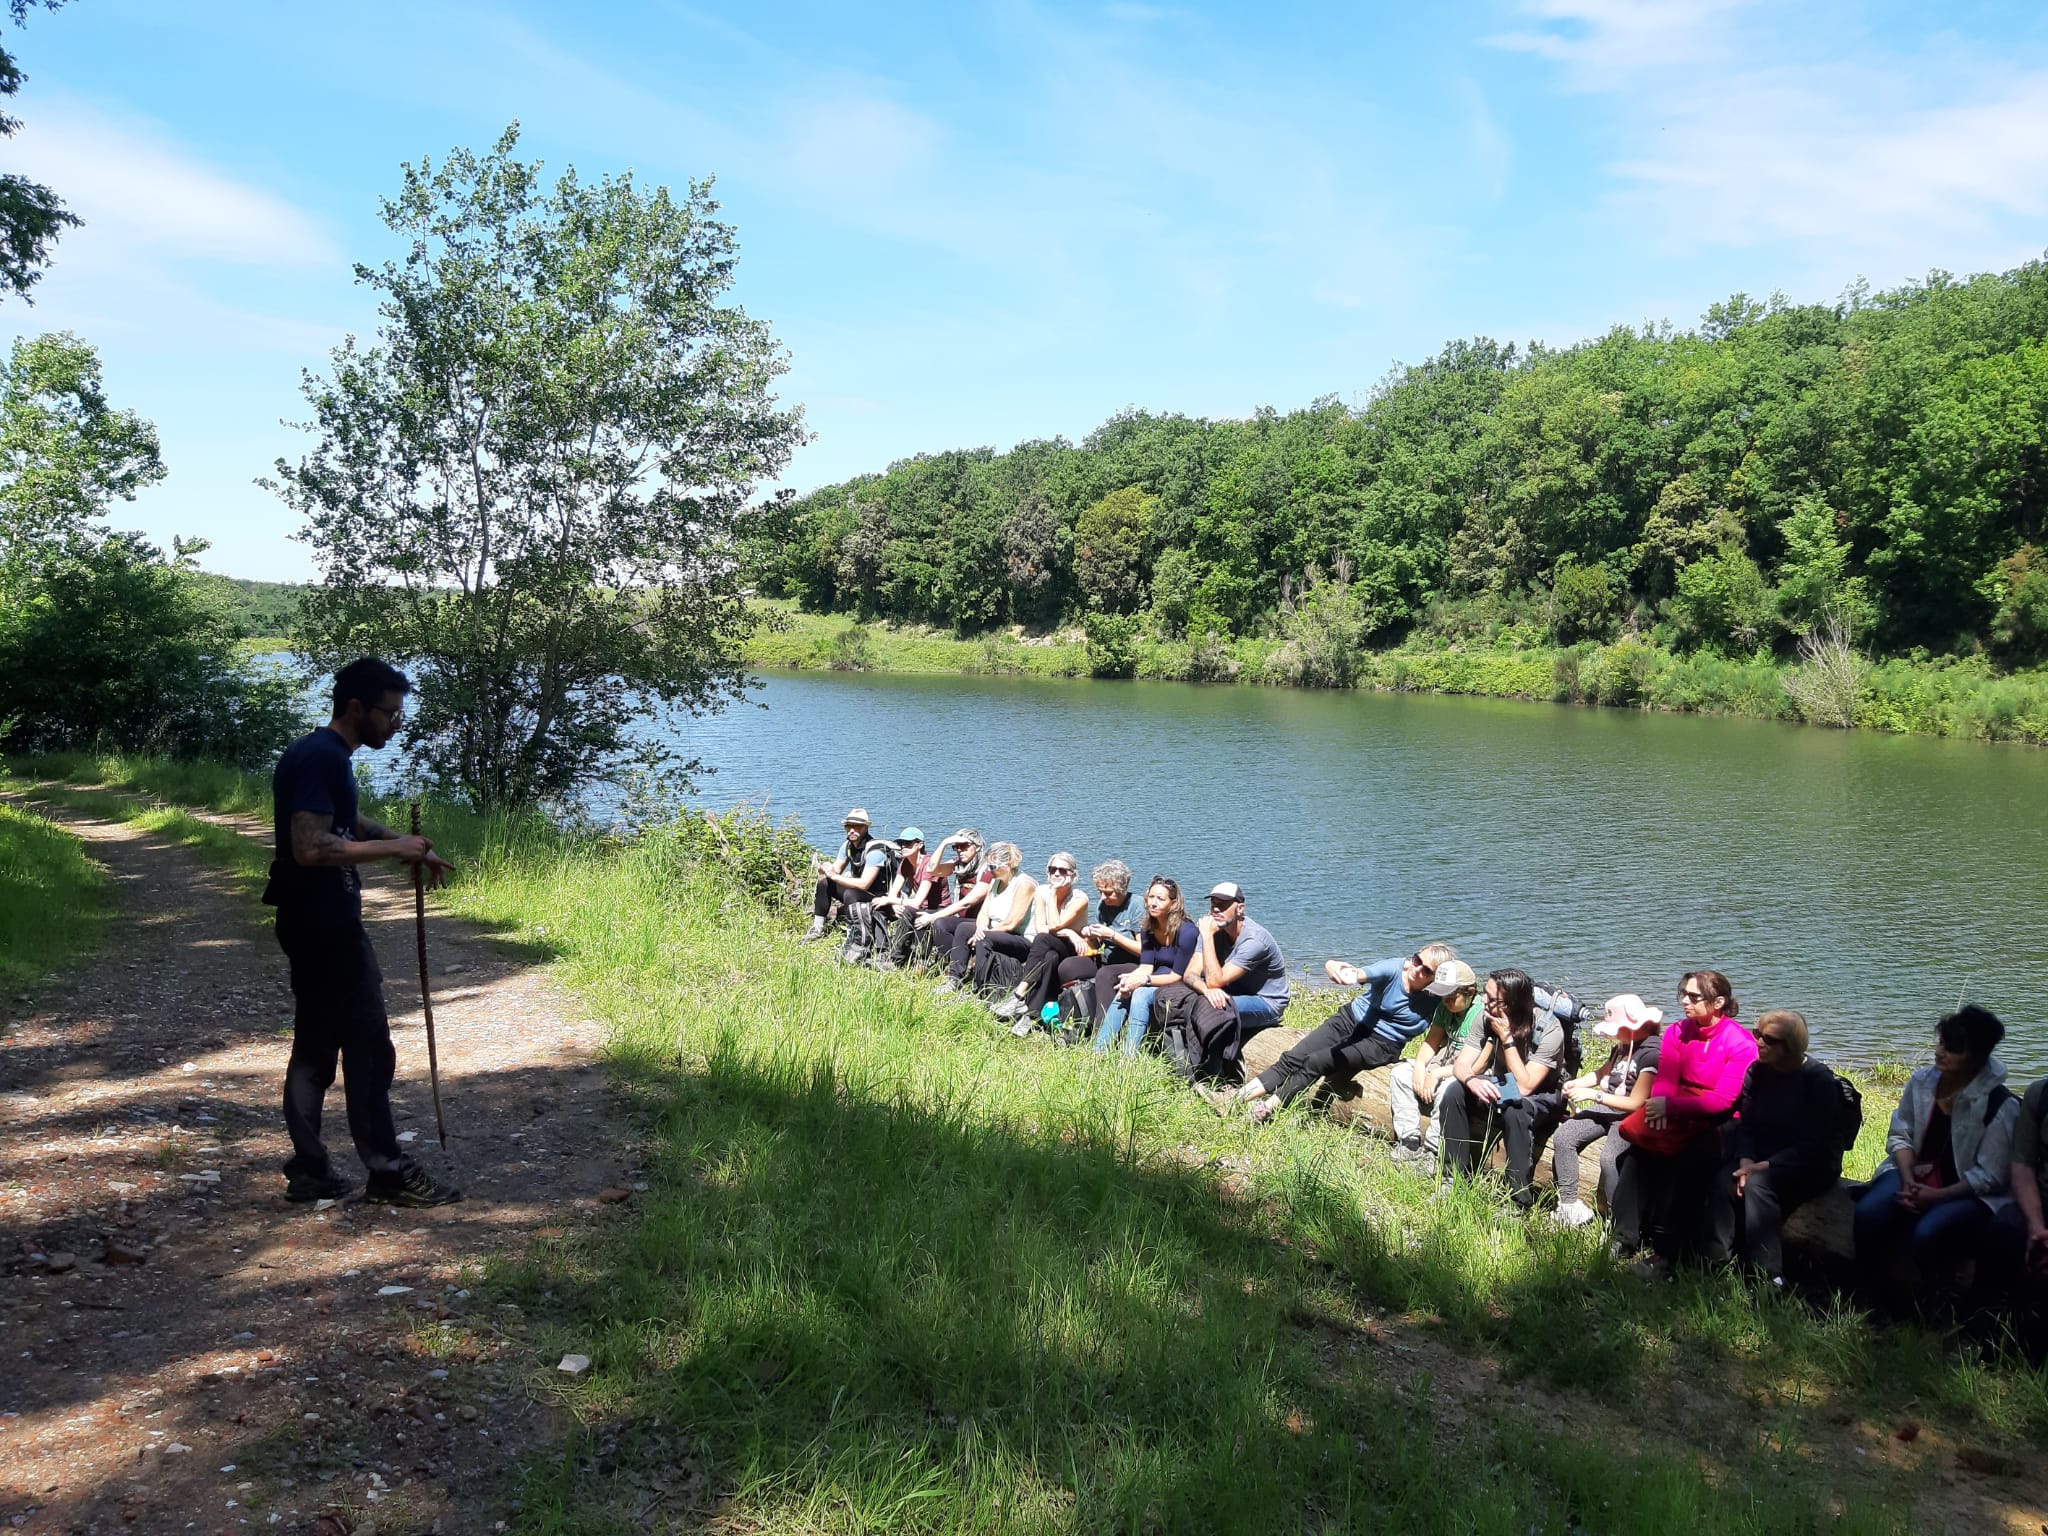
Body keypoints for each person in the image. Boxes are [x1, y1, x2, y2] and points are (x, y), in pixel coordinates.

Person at [263, 657, 459, 1208]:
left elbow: (347, 823)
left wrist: (406, 844)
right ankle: (389, 1172)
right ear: (356, 707)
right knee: (369, 1047)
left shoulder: (325, 755)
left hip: (311, 920)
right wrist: (394, 850)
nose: (396, 724)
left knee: (315, 1048)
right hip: (325, 926)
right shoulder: (320, 757)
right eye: (389, 713)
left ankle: (311, 1172)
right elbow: (310, 846)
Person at [1852, 1005, 2018, 1313]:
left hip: (1968, 1191)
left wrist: (1937, 1196)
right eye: (1942, 1043)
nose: (1940, 1052)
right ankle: (1870, 1295)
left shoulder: (2000, 1105)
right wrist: (1908, 1180)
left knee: (1927, 1232)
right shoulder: (1922, 1082)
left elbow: (1991, 1176)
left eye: (1953, 1048)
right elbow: (1900, 1135)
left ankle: (1934, 1307)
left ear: (1976, 1057)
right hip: (1914, 1175)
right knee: (1867, 1213)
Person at [1610, 970, 1757, 1276]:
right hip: (1677, 1111)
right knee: (1639, 1154)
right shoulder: (1677, 1031)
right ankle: (1624, 1238)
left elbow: (1722, 1100)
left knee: (1689, 1165)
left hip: (1720, 1121)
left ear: (1719, 1002)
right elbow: (1666, 1079)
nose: (1685, 1002)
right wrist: (1660, 1109)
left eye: (1693, 996)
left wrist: (1670, 1107)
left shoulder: (1741, 1043)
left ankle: (1668, 1255)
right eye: (1683, 995)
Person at [1234, 942, 1455, 1124]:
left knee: (1316, 1061)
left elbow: (1463, 1006)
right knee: (1293, 1058)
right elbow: (1360, 974)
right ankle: (1236, 1100)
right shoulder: (1395, 968)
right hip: (1349, 1020)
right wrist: (1336, 968)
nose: (1416, 969)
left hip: (1382, 1044)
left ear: (1437, 978)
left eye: (1426, 970)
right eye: (1417, 960)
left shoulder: (1439, 996)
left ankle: (1266, 1109)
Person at [1707, 1009, 1844, 1287]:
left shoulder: (1818, 1081)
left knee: (1758, 1186)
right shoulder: (1757, 1072)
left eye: (1769, 1039)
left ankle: (1766, 1276)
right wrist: (1746, 1160)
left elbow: (1815, 1143)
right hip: (1763, 1154)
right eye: (1757, 1034)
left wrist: (1764, 1166)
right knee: (1724, 1181)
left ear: (1791, 1046)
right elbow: (1747, 1124)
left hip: (1810, 1161)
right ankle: (1715, 1261)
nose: (1758, 1042)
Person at [1437, 968, 1570, 1207]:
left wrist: (1507, 1039)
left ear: (1512, 1004)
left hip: (1543, 1095)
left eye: (1491, 998)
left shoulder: (1549, 1028)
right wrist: (1471, 1080)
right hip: (1505, 1085)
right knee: (1455, 1091)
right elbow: (1461, 1065)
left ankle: (1518, 1201)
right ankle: (1453, 1177)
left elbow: (1526, 1086)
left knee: (1516, 1109)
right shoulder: (1485, 1016)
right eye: (1484, 993)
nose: (1483, 1000)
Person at [1151, 883, 1291, 1082]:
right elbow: (1190, 974)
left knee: (1211, 1007)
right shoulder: (1212, 930)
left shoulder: (1254, 940)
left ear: (1240, 909)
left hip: (1266, 1002)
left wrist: (1207, 936)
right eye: (1213, 904)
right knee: (1170, 993)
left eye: (1223, 905)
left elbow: (1216, 980)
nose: (1216, 910)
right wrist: (1206, 990)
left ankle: (1211, 1074)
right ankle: (1180, 1064)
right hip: (1228, 992)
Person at [1549, 993, 1663, 1228]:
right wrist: (1577, 1083)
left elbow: (1637, 1102)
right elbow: (1602, 1073)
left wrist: (1593, 1095)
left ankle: (1616, 1221)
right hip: (1607, 1107)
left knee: (1610, 1159)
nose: (1613, 1034)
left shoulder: (1652, 1054)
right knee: (1564, 1137)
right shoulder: (1622, 1047)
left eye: (1616, 1028)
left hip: (1630, 1115)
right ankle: (1569, 1205)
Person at [996, 859, 1133, 1030]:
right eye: (1052, 869)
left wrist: (1054, 895)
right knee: (1050, 956)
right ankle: (1032, 1014)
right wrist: (1083, 934)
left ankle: (1019, 995)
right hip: (1054, 945)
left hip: (1073, 948)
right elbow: (1042, 929)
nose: (1056, 874)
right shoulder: (1042, 891)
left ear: (1073, 875)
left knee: (1046, 944)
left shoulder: (1080, 898)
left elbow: (1054, 926)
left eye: (1062, 870)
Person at [1386, 961, 1481, 1166]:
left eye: (1451, 996)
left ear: (1470, 992)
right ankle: (1409, 1140)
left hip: (1468, 1074)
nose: (1445, 1001)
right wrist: (1421, 1066)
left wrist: (1436, 1074)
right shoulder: (1445, 1008)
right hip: (1444, 1065)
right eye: (1442, 995)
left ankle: (1434, 1150)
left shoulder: (1480, 1014)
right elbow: (1431, 1042)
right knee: (1401, 1072)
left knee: (1448, 1089)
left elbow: (1477, 1065)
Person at [1091, 876, 1199, 1056]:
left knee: (1140, 993)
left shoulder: (1187, 932)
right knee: (1124, 989)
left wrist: (1144, 981)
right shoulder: (1148, 927)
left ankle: (1129, 1056)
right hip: (1159, 976)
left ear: (1173, 904)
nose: (1153, 903)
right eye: (1151, 897)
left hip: (1182, 982)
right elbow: (1146, 966)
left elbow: (1177, 976)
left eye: (1160, 899)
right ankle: (1099, 1050)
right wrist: (1132, 979)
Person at [935, 842, 1033, 995]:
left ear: (1008, 865)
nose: (988, 870)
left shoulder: (1024, 884)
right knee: (963, 928)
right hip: (996, 930)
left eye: (992, 867)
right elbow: (984, 912)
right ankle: (954, 979)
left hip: (1020, 938)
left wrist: (984, 934)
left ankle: (979, 987)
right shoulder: (995, 881)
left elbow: (1012, 923)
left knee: (984, 939)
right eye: (987, 866)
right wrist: (980, 928)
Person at [1989, 1075, 2048, 1290]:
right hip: (2043, 1199)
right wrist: (2036, 1226)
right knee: (2006, 1224)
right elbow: (2023, 1165)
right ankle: (1999, 1305)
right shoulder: (2039, 1094)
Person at [903, 830, 989, 973]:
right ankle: (925, 962)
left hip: (981, 922)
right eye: (956, 847)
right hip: (962, 918)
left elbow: (967, 902)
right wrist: (944, 843)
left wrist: (933, 917)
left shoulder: (986, 869)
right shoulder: (958, 865)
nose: (960, 850)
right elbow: (931, 870)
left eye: (965, 846)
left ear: (978, 847)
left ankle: (955, 965)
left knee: (939, 922)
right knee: (923, 918)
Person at [867, 827, 953, 969]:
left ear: (920, 845)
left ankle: (896, 959)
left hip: (937, 909)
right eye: (901, 843)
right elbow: (893, 891)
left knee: (907, 910)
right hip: (920, 907)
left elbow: (917, 902)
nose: (903, 847)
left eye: (908, 843)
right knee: (879, 906)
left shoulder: (928, 865)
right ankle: (882, 950)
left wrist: (891, 900)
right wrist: (893, 905)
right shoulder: (906, 862)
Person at [801, 808, 889, 944]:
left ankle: (852, 934)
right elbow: (836, 869)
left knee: (850, 894)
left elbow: (865, 884)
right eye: (848, 826)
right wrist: (824, 869)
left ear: (865, 828)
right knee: (824, 884)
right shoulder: (848, 846)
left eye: (856, 826)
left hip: (879, 896)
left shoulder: (875, 851)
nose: (851, 830)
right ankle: (817, 928)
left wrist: (835, 876)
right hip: (860, 891)